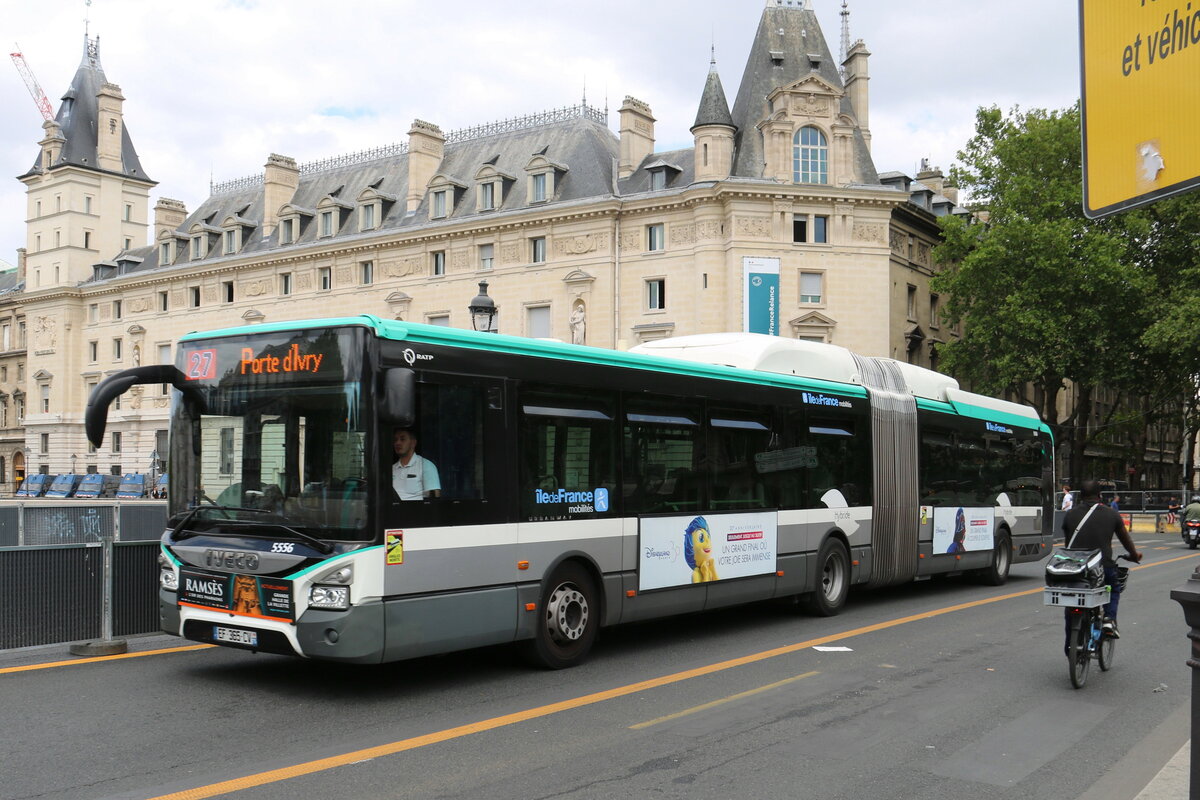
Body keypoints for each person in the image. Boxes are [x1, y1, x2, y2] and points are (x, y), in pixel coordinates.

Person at [1061, 480, 1142, 641]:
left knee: (1071, 604)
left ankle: (1070, 646)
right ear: (1100, 495)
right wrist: (1134, 555)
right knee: (1112, 589)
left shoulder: (1070, 515)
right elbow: (1126, 540)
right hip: (1102, 567)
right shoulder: (1111, 514)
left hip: (1076, 568)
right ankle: (1109, 620)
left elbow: (1068, 542)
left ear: (1080, 497)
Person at [391, 427, 441, 500]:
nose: (397, 443)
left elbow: (434, 499)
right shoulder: (391, 469)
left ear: (413, 443)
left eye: (402, 439)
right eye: (395, 440)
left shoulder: (426, 465)